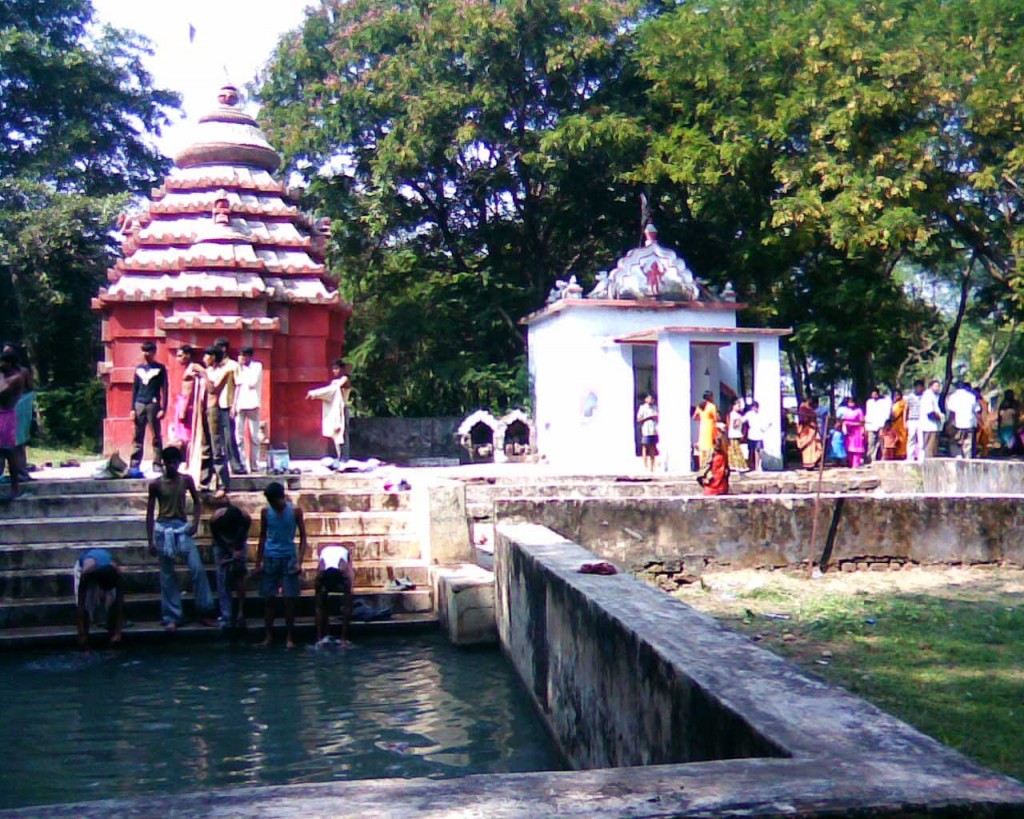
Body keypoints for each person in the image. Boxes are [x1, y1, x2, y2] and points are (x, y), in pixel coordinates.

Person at [145, 446, 216, 631]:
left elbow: (197, 501)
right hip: (163, 530)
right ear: (164, 463)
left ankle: (204, 611)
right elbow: (150, 512)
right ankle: (172, 616)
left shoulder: (186, 480)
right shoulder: (156, 484)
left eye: (175, 462)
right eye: (169, 463)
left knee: (197, 569)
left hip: (181, 529)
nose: (172, 466)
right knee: (167, 575)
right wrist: (150, 540)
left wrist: (195, 523)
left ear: (179, 463)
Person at [255, 481, 308, 648]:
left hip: (288, 557)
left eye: (274, 501)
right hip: (271, 556)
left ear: (282, 497)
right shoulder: (266, 512)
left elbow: (303, 537)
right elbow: (262, 536)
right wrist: (258, 561)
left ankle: (290, 637)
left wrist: (299, 561)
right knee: (269, 599)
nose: (273, 504)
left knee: (289, 599)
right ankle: (268, 636)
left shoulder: (294, 511)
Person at [208, 500, 251, 632]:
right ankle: (226, 614)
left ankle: (241, 612)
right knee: (222, 576)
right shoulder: (215, 519)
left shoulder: (245, 518)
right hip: (221, 542)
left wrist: (236, 552)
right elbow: (217, 538)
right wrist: (229, 551)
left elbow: (243, 536)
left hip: (238, 541)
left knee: (240, 573)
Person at [129, 341, 168, 476]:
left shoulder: (160, 369)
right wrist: (132, 408)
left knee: (156, 435)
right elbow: (135, 388)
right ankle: (134, 463)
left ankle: (157, 463)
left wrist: (164, 408)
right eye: (144, 351)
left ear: (154, 352)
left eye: (149, 351)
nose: (146, 354)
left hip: (153, 404)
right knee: (137, 435)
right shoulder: (139, 369)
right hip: (139, 403)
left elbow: (165, 388)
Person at [75, 548, 124, 649]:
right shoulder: (86, 572)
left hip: (104, 573)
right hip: (86, 569)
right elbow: (81, 604)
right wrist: (82, 634)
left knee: (112, 602)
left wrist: (118, 633)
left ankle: (111, 634)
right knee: (87, 607)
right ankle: (85, 639)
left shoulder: (117, 574)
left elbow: (119, 603)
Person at [306, 359, 352, 468]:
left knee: (342, 434)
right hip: (336, 409)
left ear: (341, 369)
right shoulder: (335, 382)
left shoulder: (344, 380)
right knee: (336, 434)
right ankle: (340, 457)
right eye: (333, 369)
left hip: (343, 408)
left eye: (336, 368)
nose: (334, 371)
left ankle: (344, 458)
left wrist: (315, 393)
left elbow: (332, 390)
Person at [200, 346, 231, 496]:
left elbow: (214, 389)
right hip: (202, 409)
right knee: (205, 447)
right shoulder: (207, 371)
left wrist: (204, 374)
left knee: (217, 447)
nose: (204, 359)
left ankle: (223, 485)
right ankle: (204, 480)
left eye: (206, 356)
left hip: (214, 410)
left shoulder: (223, 372)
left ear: (213, 357)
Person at [2, 342, 34, 482]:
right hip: (6, 412)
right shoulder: (6, 375)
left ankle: (20, 473)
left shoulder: (18, 376)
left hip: (12, 411)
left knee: (14, 445)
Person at [214, 338, 246, 475]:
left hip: (227, 404)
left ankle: (235, 465)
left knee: (228, 437)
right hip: (214, 405)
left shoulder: (233, 365)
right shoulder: (215, 366)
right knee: (216, 437)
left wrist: (234, 405)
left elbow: (238, 385)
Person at [315, 543, 355, 646]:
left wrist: (344, 638)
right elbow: (318, 605)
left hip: (342, 550)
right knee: (321, 598)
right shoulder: (321, 572)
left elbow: (348, 603)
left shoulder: (344, 570)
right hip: (325, 550)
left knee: (348, 598)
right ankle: (320, 637)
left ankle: (343, 637)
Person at [0, 351, 26, 501]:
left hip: (5, 416)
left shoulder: (16, 378)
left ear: (9, 364)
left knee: (9, 452)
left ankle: (15, 487)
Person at [233, 346, 263, 473]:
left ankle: (254, 464)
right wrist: (234, 405)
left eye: (244, 356)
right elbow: (237, 386)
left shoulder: (257, 366)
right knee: (238, 437)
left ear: (249, 356)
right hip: (240, 404)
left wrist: (242, 369)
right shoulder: (238, 368)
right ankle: (242, 464)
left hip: (252, 403)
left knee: (254, 436)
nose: (241, 358)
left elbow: (252, 382)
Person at [169, 345, 201, 455]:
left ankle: (189, 459)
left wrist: (184, 409)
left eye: (180, 356)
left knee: (187, 435)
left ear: (187, 355)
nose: (178, 359)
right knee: (182, 435)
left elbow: (190, 391)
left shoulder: (193, 367)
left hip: (187, 404)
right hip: (183, 402)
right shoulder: (188, 368)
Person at [946, 381, 981, 459]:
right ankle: (967, 460)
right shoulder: (972, 396)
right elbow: (977, 411)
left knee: (955, 443)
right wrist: (980, 423)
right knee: (968, 445)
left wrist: (949, 423)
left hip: (957, 425)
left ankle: (958, 458)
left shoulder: (953, 396)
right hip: (969, 424)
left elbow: (952, 413)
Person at [864, 387, 892, 463]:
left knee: (879, 443)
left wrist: (882, 425)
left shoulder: (883, 402)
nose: (874, 395)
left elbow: (885, 414)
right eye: (872, 394)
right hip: (871, 425)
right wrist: (866, 425)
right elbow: (868, 414)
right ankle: (869, 458)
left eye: (875, 394)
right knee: (871, 442)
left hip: (880, 425)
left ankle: (877, 459)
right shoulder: (869, 402)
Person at [794, 396, 823, 470]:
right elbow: (804, 419)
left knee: (817, 447)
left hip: (812, 430)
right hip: (807, 430)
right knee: (809, 447)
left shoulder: (809, 408)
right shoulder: (803, 408)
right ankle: (809, 464)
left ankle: (813, 463)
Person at [692, 390, 718, 467]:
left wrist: (701, 419)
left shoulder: (700, 406)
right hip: (710, 428)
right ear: (710, 397)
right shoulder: (712, 406)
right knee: (709, 448)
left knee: (702, 448)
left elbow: (694, 417)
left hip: (702, 428)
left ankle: (702, 466)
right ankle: (708, 466)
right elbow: (715, 418)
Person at [919, 380, 945, 458]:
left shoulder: (934, 396)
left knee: (933, 449)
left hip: (933, 426)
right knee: (930, 449)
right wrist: (940, 417)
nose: (938, 388)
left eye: (939, 386)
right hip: (929, 427)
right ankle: (928, 467)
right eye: (936, 386)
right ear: (931, 386)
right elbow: (930, 413)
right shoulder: (928, 396)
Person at [635, 393, 659, 473]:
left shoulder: (654, 408)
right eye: (649, 398)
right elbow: (638, 419)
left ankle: (652, 466)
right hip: (646, 429)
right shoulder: (643, 408)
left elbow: (657, 416)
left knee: (652, 447)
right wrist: (647, 417)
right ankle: (645, 466)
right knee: (645, 447)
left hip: (653, 429)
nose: (650, 400)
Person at [841, 396, 866, 468]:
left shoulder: (859, 411)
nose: (850, 404)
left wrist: (860, 430)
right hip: (848, 432)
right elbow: (843, 420)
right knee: (848, 448)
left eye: (852, 402)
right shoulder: (846, 411)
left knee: (856, 448)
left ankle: (856, 464)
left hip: (856, 431)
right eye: (849, 402)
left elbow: (862, 422)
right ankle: (849, 463)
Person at [904, 380, 925, 462]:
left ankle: (921, 458)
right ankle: (910, 458)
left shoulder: (925, 396)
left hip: (922, 420)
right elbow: (906, 409)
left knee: (921, 440)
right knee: (911, 439)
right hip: (912, 420)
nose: (918, 388)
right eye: (917, 386)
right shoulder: (910, 397)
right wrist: (905, 421)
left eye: (920, 386)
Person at [726, 398, 748, 471]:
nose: (739, 406)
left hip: (735, 434)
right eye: (737, 405)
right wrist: (739, 421)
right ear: (733, 405)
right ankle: (739, 465)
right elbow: (735, 425)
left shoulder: (735, 414)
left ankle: (735, 465)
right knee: (735, 450)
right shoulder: (734, 415)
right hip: (734, 434)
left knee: (734, 450)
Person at [743, 400, 765, 471]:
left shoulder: (761, 414)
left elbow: (766, 423)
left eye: (756, 407)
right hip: (751, 434)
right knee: (751, 450)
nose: (755, 409)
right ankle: (751, 465)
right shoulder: (749, 414)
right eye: (754, 407)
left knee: (759, 450)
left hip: (759, 435)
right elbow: (742, 420)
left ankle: (758, 465)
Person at [997, 389, 1019, 455]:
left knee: (1007, 440)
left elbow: (999, 416)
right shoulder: (1014, 404)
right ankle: (1009, 451)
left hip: (1006, 425)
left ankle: (1007, 451)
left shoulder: (1004, 404)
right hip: (1009, 425)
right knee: (1009, 440)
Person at [890, 389, 908, 460]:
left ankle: (902, 454)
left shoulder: (903, 403)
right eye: (895, 395)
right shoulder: (893, 403)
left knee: (902, 439)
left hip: (900, 424)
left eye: (897, 394)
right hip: (893, 425)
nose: (896, 396)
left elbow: (896, 414)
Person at [975, 390, 993, 457]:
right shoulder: (984, 402)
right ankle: (984, 456)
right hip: (984, 423)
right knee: (984, 444)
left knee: (976, 442)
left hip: (979, 423)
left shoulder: (980, 402)